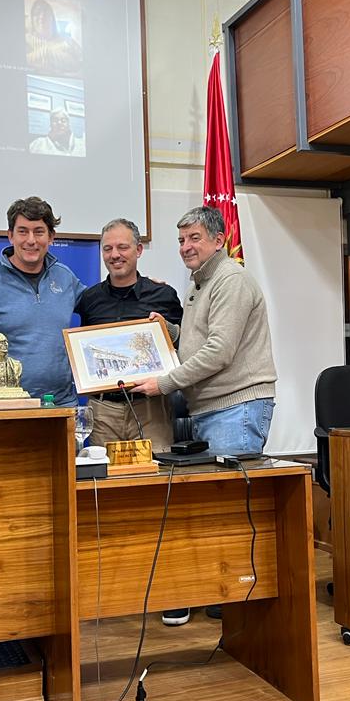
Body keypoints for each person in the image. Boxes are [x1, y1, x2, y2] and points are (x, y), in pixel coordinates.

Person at [130, 205, 277, 624]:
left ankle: (244, 611)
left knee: (232, 511)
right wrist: (171, 332)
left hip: (237, 407)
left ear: (218, 239)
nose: (185, 247)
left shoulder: (229, 280)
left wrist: (165, 382)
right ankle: (226, 599)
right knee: (218, 510)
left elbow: (221, 351)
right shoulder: (201, 283)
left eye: (194, 238)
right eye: (180, 240)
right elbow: (203, 341)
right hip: (214, 408)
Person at [0, 196, 85, 407]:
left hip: (62, 406)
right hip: (5, 407)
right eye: (22, 231)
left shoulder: (65, 277)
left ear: (51, 237)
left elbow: (102, 305)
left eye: (39, 231)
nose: (31, 240)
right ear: (10, 236)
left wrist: (148, 289)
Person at [76, 218, 182, 454]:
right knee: (103, 482)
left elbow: (183, 345)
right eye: (108, 248)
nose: (115, 255)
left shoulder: (163, 295)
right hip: (103, 411)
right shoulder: (88, 299)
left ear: (139, 250)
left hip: (151, 409)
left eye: (122, 247)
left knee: (156, 478)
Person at [25, 0, 82, 76]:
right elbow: (22, 61)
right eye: (37, 13)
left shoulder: (68, 41)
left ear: (52, 18)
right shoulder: (26, 40)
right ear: (31, 19)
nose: (42, 17)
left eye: (46, 12)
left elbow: (82, 64)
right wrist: (47, 53)